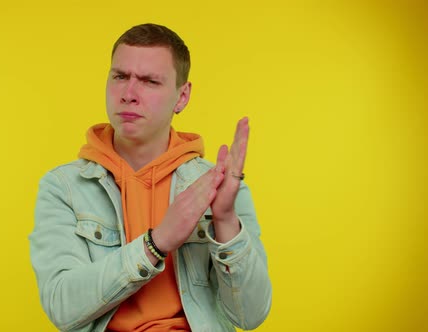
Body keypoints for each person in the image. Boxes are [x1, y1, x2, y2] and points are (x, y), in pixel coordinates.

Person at [29, 23, 272, 332]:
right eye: (120, 77)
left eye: (149, 81)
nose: (129, 94)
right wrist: (155, 244)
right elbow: (62, 307)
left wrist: (224, 220)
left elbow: (250, 316)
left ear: (182, 97)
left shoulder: (221, 187)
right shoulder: (64, 187)